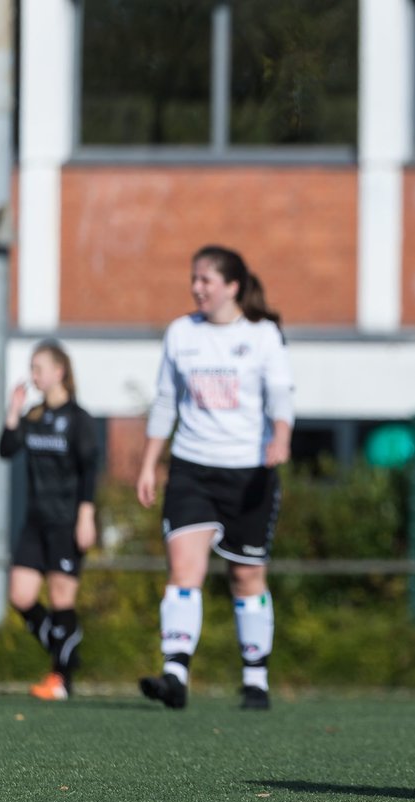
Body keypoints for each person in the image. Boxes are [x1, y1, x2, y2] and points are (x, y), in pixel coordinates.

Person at [136, 245, 294, 711]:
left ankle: (255, 679)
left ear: (233, 287)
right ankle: (175, 674)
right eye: (194, 279)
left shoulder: (263, 335)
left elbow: (281, 394)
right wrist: (149, 463)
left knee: (246, 576)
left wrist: (280, 437)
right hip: (192, 468)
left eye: (206, 280)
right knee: (184, 569)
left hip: (248, 472)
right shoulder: (181, 333)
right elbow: (165, 400)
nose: (197, 288)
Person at [1, 341, 99, 701]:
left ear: (59, 372)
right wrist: (13, 411)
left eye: (39, 367)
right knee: (21, 594)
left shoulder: (79, 419)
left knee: (61, 600)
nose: (34, 375)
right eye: (32, 367)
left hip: (66, 521)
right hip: (36, 521)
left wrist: (86, 515)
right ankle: (65, 650)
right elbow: (6, 449)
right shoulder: (34, 416)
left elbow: (89, 469)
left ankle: (61, 678)